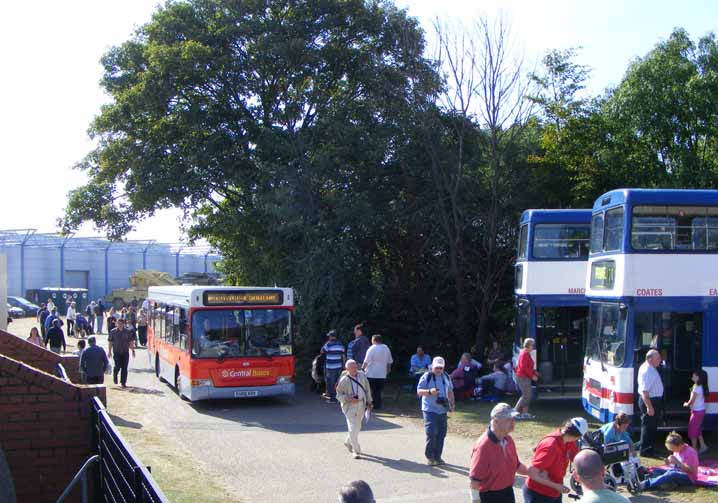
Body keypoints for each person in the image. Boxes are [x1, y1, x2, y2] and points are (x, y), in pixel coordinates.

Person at [470, 403, 562, 503]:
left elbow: (516, 466)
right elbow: (474, 480)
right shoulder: (483, 446)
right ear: (496, 421)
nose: (513, 422)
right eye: (509, 419)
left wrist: (536, 473)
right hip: (490, 496)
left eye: (513, 419)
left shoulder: (508, 440)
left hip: (507, 493)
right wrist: (475, 500)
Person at [523, 418, 586, 503]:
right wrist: (556, 486)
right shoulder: (550, 446)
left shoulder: (568, 442)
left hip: (554, 492)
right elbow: (531, 472)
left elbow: (578, 459)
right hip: (538, 494)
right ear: (577, 437)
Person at [417, 356, 455, 466]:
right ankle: (430, 457)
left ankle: (438, 457)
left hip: (442, 409)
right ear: (432, 367)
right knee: (431, 433)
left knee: (441, 434)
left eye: (441, 368)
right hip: (429, 409)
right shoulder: (427, 376)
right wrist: (429, 392)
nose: (439, 370)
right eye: (437, 367)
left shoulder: (446, 376)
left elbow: (450, 391)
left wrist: (452, 404)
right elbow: (419, 391)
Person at [336, 359, 373, 459]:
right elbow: (338, 395)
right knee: (353, 427)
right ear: (347, 369)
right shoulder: (344, 380)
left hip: (361, 404)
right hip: (349, 407)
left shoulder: (362, 375)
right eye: (352, 368)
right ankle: (356, 450)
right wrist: (348, 399)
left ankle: (348, 441)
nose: (354, 369)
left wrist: (369, 402)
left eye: (355, 367)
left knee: (357, 426)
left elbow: (367, 389)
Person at [637, 349, 664, 457]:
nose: (660, 360)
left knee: (652, 427)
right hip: (650, 401)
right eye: (658, 358)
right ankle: (646, 450)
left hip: (653, 400)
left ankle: (650, 448)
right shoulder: (647, 370)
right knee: (648, 427)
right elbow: (644, 391)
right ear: (650, 359)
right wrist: (649, 407)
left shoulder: (650, 368)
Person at [362, 334, 393, 410]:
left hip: (371, 373)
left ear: (374, 340)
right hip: (382, 374)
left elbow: (366, 361)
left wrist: (362, 369)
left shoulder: (372, 348)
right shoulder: (386, 348)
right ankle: (377, 405)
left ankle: (369, 404)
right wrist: (388, 370)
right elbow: (389, 361)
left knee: (369, 390)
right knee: (378, 391)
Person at [684, 368, 709, 454]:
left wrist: (686, 404)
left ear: (698, 377)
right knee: (697, 429)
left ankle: (694, 450)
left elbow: (692, 401)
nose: (692, 375)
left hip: (696, 412)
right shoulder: (701, 386)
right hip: (701, 411)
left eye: (694, 374)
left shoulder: (696, 388)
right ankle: (703, 446)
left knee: (692, 431)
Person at [514, 338, 539, 419]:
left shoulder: (527, 353)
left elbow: (528, 367)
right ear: (528, 345)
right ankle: (515, 413)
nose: (533, 347)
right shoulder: (524, 354)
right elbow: (523, 368)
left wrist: (535, 372)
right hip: (522, 378)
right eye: (532, 345)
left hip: (525, 377)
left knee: (527, 395)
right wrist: (532, 376)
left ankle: (524, 413)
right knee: (525, 396)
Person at [108, 318, 136, 387]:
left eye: (121, 324)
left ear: (124, 324)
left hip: (125, 352)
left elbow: (131, 341)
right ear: (116, 324)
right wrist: (109, 351)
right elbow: (110, 342)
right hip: (116, 352)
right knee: (117, 366)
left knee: (124, 368)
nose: (120, 325)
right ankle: (115, 376)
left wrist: (133, 350)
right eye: (118, 324)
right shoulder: (113, 332)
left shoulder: (127, 332)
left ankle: (123, 382)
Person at [320, 330, 345, 403]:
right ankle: (339, 398)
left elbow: (321, 351)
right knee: (338, 382)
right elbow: (343, 355)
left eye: (329, 336)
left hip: (330, 367)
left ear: (331, 336)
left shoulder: (328, 344)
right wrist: (344, 365)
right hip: (339, 366)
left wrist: (326, 344)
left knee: (331, 383)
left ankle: (333, 399)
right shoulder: (340, 344)